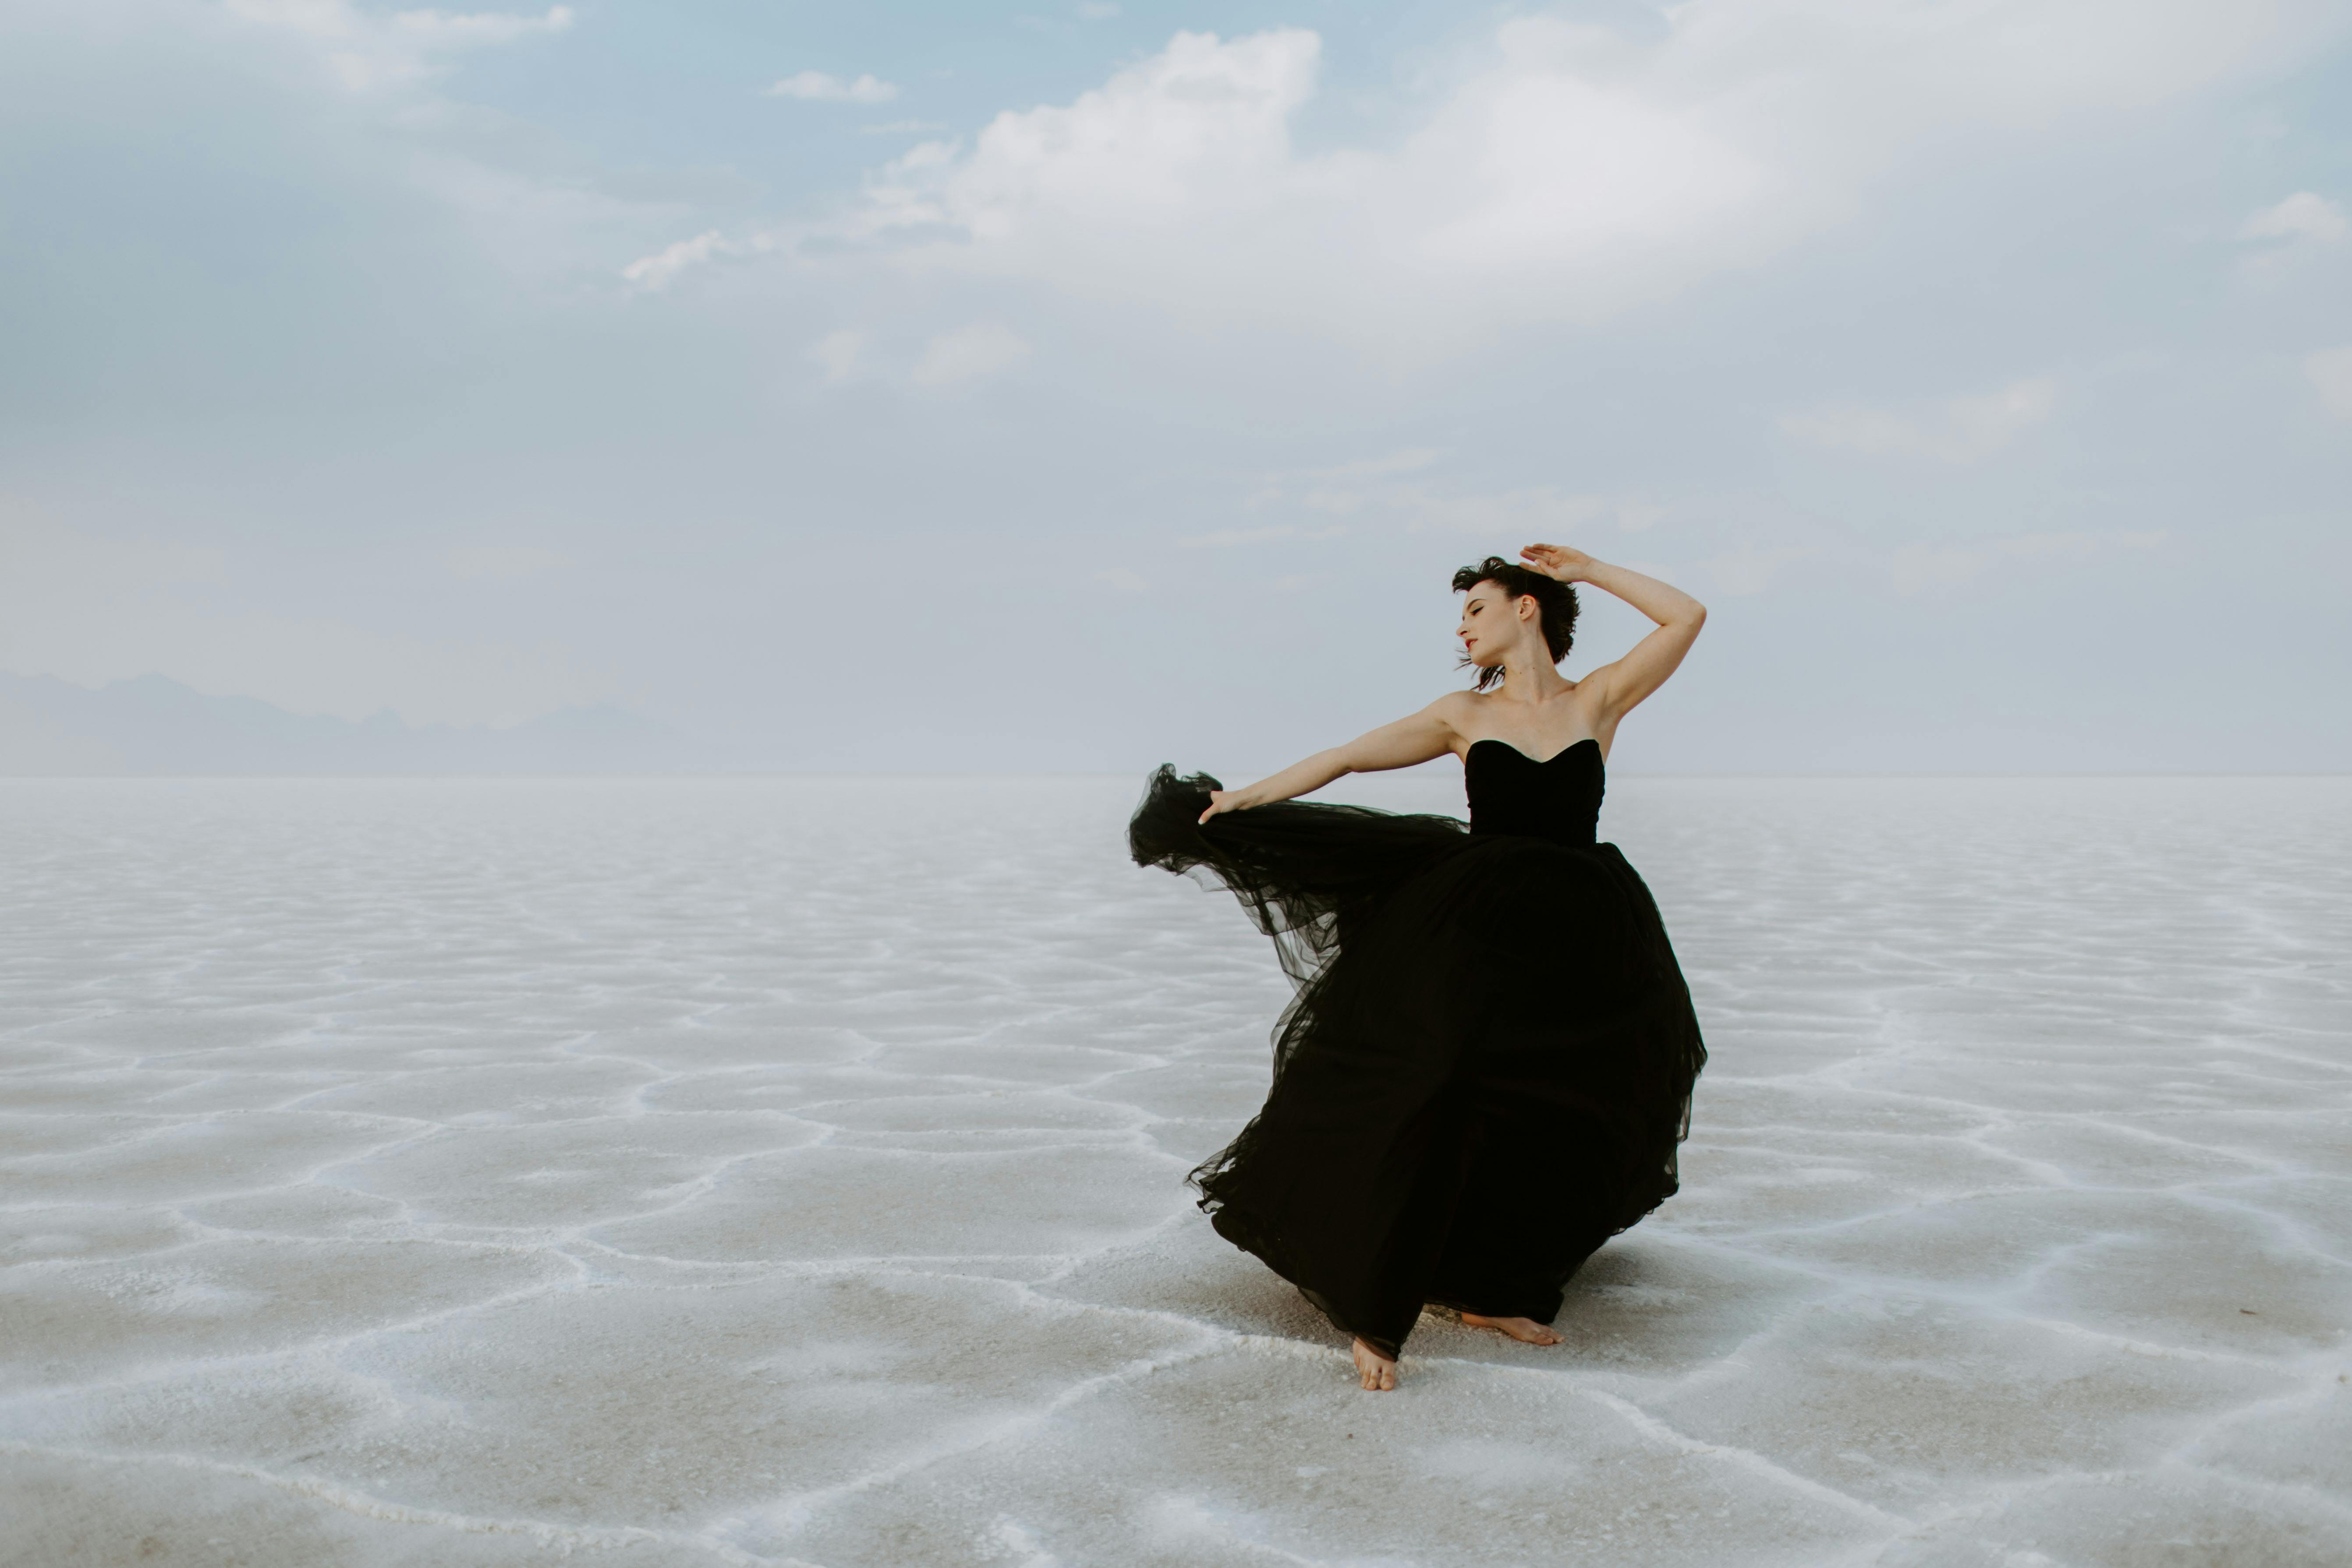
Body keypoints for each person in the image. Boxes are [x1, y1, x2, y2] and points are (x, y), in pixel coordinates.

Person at [1127, 543, 1709, 1391]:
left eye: (1476, 607)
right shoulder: (1459, 715)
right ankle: (1375, 1306)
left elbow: (1686, 614)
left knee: (1564, 1104)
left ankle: (1494, 1287)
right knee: (1434, 1083)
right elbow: (1348, 756)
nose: (1463, 626)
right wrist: (1244, 799)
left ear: (1525, 608)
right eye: (1460, 614)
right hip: (1475, 926)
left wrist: (1583, 568)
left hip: (1582, 932)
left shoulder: (1599, 698)